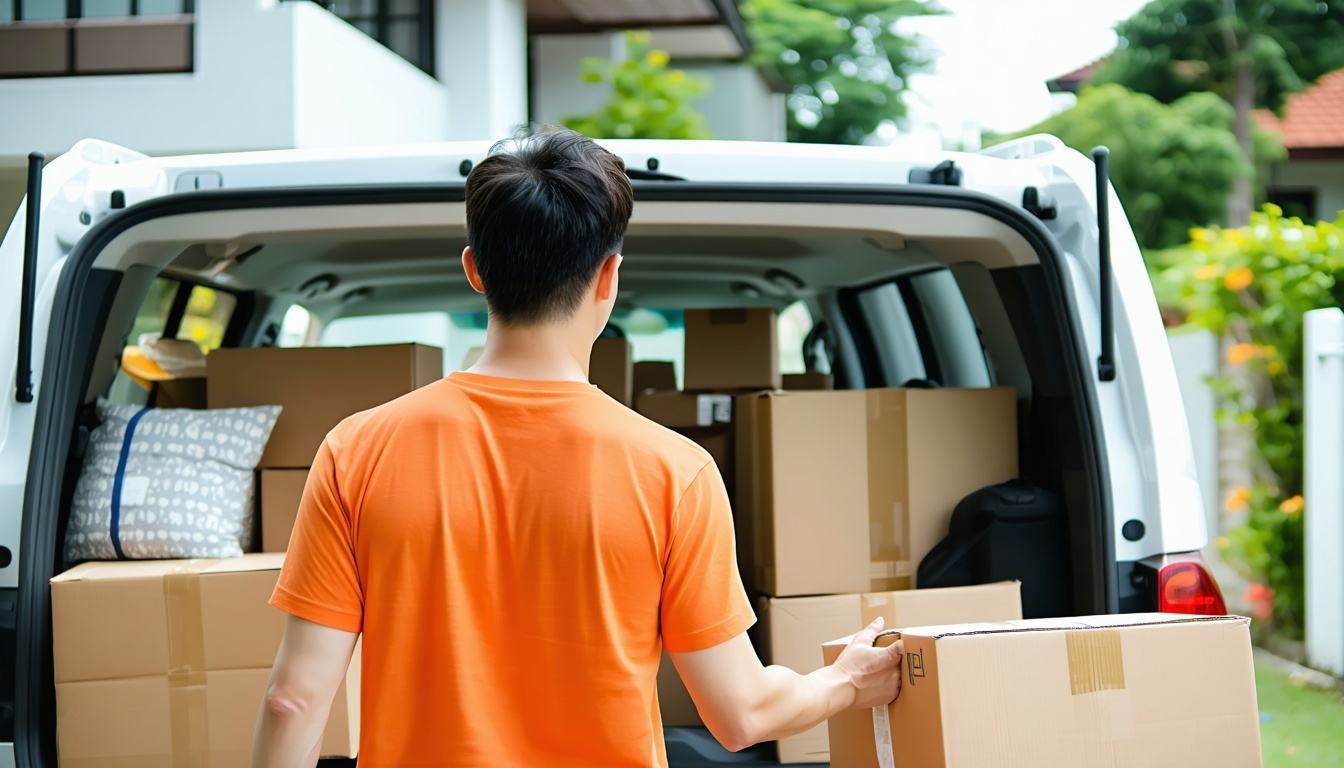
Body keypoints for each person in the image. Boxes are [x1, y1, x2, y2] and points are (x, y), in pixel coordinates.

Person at [250, 127, 904, 768]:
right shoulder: (675, 473)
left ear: (475, 271)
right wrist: (846, 682)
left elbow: (292, 701)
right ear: (608, 277)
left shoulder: (355, 450)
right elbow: (741, 715)